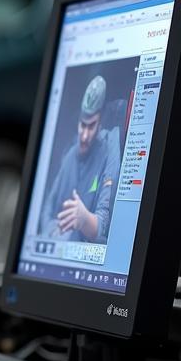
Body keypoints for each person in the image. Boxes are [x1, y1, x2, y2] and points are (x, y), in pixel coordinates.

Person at [41, 74, 121, 242]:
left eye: (91, 126)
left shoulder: (109, 145)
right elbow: (47, 209)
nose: (84, 136)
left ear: (100, 124)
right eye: (82, 125)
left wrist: (84, 220)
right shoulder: (70, 155)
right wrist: (54, 231)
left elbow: (104, 222)